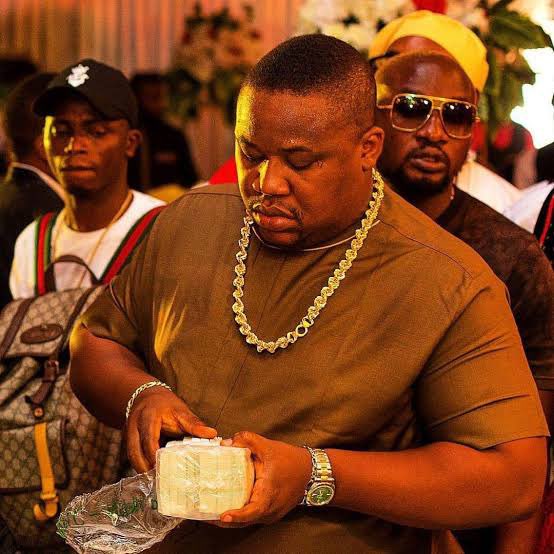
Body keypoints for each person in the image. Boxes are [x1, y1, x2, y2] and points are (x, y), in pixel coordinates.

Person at [70, 35, 547, 553]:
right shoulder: (190, 222)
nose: (267, 182)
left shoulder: (448, 279)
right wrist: (141, 395)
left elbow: (514, 477)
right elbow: (95, 341)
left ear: (368, 148)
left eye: (300, 162)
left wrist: (316, 476)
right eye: (251, 153)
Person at [374, 50, 554, 553]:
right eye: (412, 108)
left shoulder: (512, 256)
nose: (434, 132)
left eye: (455, 116)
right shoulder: (332, 231)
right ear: (372, 119)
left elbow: (532, 440)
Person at [9, 59, 164, 298]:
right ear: (43, 142)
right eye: (61, 132)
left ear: (130, 143)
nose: (75, 145)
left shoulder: (162, 231)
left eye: (96, 132)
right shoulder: (32, 242)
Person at [369, 10, 522, 216]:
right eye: (411, 104)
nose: (433, 132)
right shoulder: (339, 190)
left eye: (436, 65)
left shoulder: (506, 208)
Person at [0, 72, 64, 308]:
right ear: (45, 145)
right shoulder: (50, 216)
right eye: (67, 132)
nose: (81, 145)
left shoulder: (9, 196)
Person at [128, 72, 198, 192]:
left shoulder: (174, 136)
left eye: (162, 97)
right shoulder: (125, 137)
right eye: (153, 97)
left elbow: (190, 180)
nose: (161, 104)